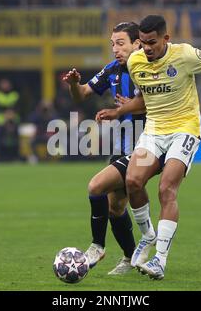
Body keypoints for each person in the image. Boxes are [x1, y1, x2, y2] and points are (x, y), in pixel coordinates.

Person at [96, 15, 201, 280]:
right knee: (132, 181)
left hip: (185, 129)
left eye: (152, 42)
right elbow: (144, 97)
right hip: (154, 131)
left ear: (166, 39)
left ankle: (160, 260)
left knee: (166, 187)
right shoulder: (136, 61)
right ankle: (148, 235)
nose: (147, 48)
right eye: (143, 43)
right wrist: (118, 111)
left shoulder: (185, 55)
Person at [62, 22, 160, 275]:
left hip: (146, 145)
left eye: (121, 43)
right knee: (115, 207)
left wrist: (128, 107)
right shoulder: (112, 70)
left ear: (137, 43)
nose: (115, 49)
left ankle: (97, 246)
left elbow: (162, 102)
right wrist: (74, 83)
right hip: (121, 146)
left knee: (96, 186)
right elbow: (82, 94)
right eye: (112, 44)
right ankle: (130, 258)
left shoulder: (151, 68)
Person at [0, 79, 20, 161]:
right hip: (1, 121)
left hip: (14, 120)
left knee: (15, 140)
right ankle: (0, 157)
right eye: (3, 84)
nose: (5, 86)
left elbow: (18, 107)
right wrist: (5, 116)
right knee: (0, 140)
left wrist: (11, 115)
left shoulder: (14, 95)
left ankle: (15, 156)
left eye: (6, 84)